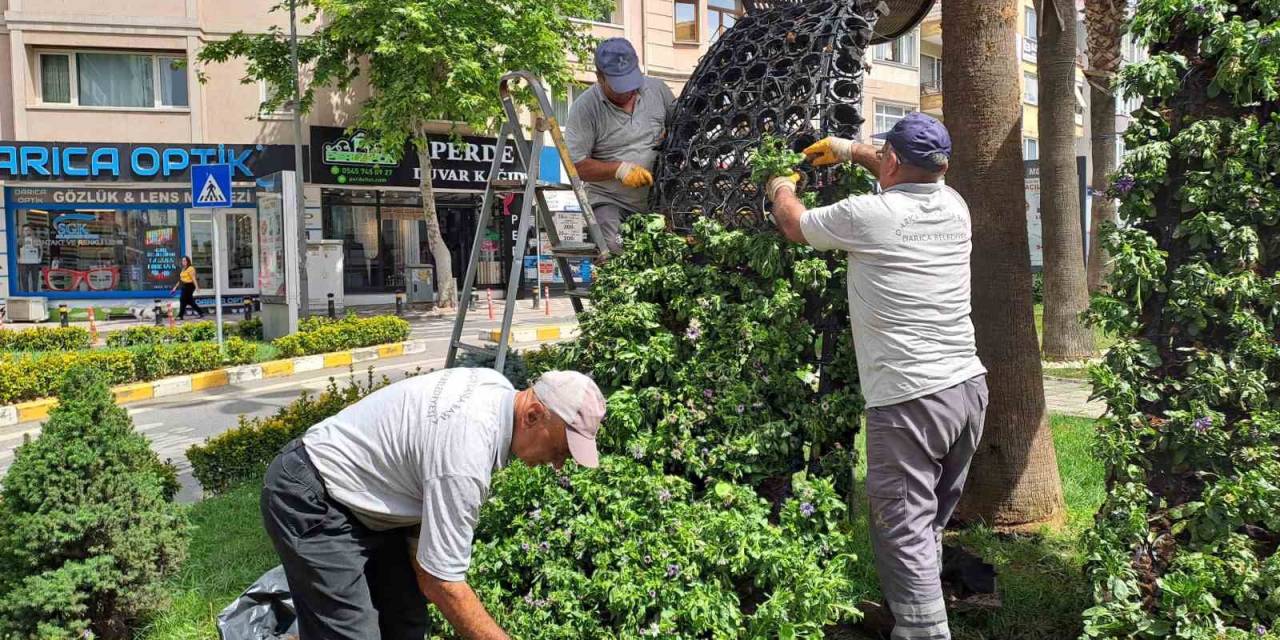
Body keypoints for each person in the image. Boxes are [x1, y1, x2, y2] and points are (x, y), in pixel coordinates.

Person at [764, 113, 989, 640]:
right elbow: (900, 168)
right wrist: (848, 149)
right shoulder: (955, 206)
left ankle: (924, 631)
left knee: (903, 526)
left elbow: (794, 224)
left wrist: (779, 186)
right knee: (926, 521)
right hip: (967, 390)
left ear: (892, 162)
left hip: (911, 399)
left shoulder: (870, 215)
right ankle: (911, 613)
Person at [261, 368, 606, 639]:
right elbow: (443, 584)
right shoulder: (466, 455)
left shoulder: (497, 389)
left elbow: (430, 570)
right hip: (313, 494)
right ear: (532, 414)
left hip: (369, 502)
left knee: (405, 619)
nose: (558, 464)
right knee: (351, 633)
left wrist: (424, 570)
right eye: (560, 450)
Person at [565, 37, 675, 255]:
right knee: (617, 249)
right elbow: (575, 166)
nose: (628, 91)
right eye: (620, 86)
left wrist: (670, 137)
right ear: (600, 78)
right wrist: (619, 170)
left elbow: (682, 126)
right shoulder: (585, 109)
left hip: (658, 200)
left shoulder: (658, 90)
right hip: (611, 201)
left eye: (631, 82)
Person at [17, 225, 41, 292]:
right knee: (24, 280)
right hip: (24, 263)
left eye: (28, 230)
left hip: (35, 262)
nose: (26, 232)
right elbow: (16, 250)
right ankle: (26, 294)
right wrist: (18, 258)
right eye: (24, 230)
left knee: (35, 279)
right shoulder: (19, 240)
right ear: (22, 231)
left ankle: (35, 293)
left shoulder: (36, 240)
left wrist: (39, 258)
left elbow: (40, 250)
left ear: (31, 231)